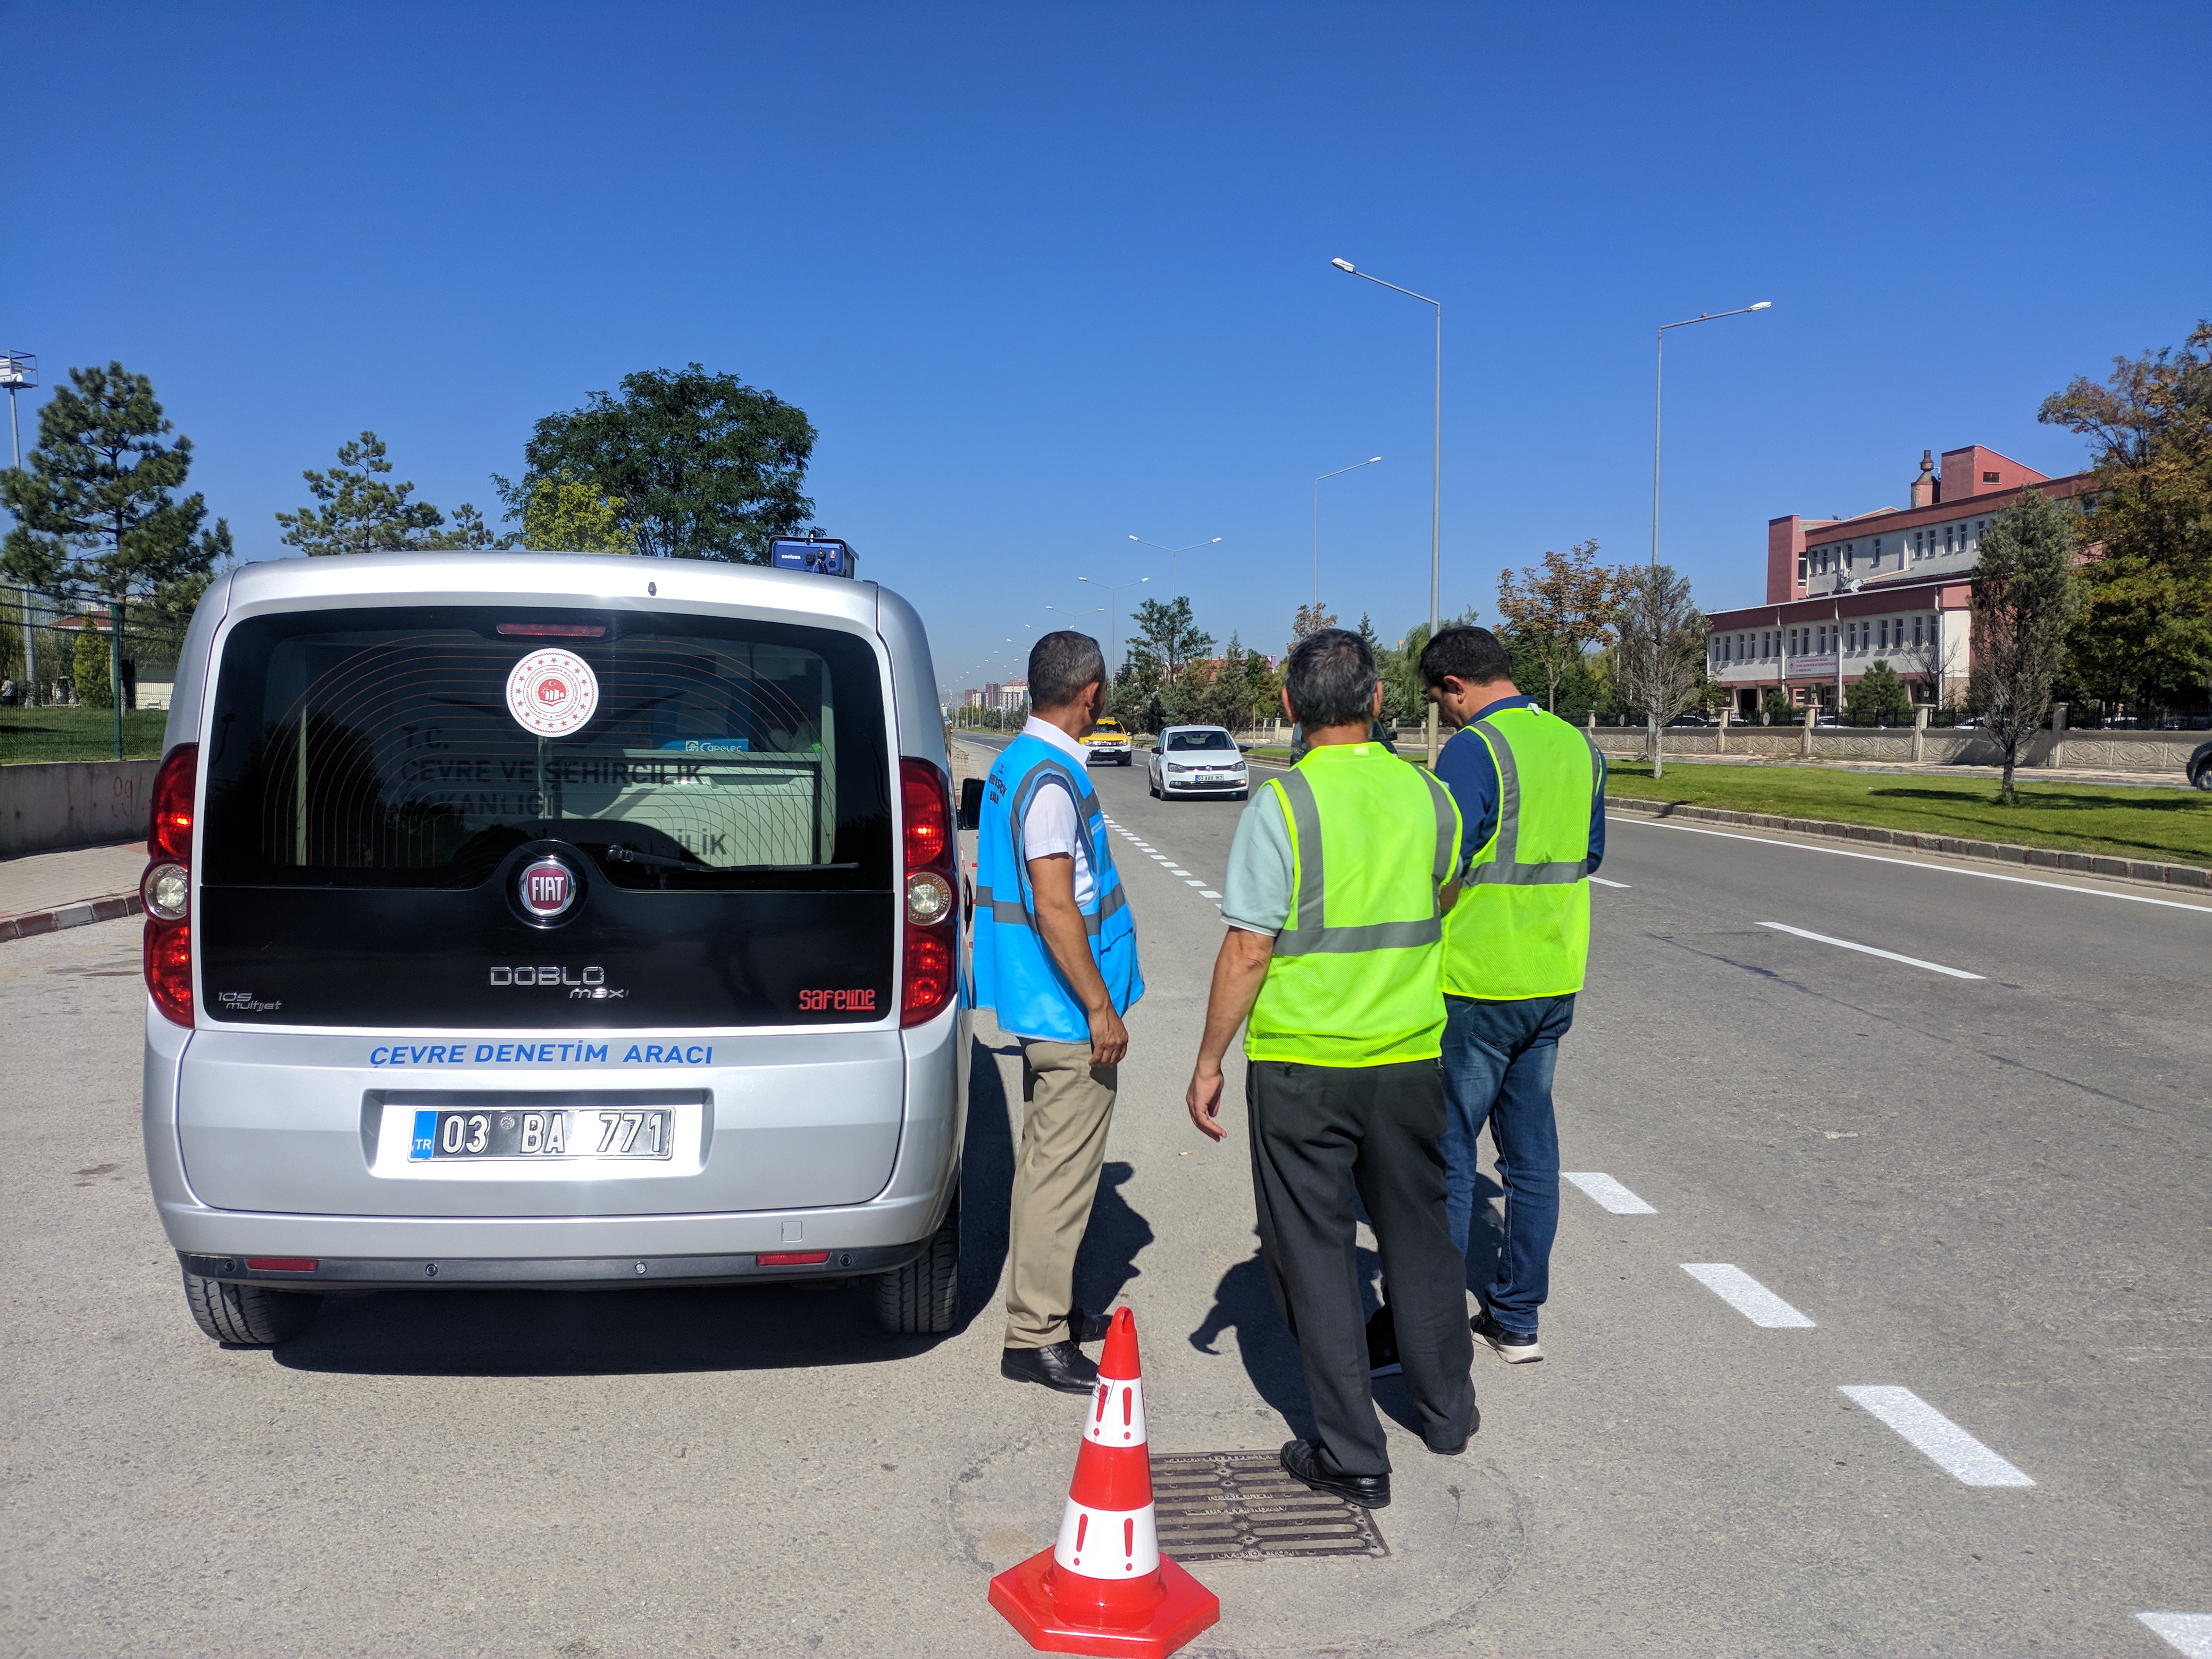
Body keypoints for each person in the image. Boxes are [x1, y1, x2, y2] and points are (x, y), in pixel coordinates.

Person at [1184, 628, 1474, 1511]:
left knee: (1314, 1252)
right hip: (1410, 1055)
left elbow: (1248, 948)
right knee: (1418, 1237)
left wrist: (1207, 1060)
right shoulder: (1432, 796)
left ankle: (1353, 1453)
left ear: (1288, 707)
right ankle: (1447, 1411)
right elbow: (1444, 893)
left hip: (1306, 1064)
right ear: (1381, 700)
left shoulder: (1284, 806)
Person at [1417, 624, 1605, 1365]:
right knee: (1530, 1158)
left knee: (1453, 1153)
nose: (1446, 717)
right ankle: (1517, 1319)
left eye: (1441, 703)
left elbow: (1443, 860)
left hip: (1478, 980)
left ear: (1455, 686)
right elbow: (1588, 854)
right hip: (1554, 977)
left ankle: (1429, 1331)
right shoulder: (1578, 746)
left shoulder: (1474, 750)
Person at [972, 631, 1145, 1395]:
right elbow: (1054, 904)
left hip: (1042, 1005)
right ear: (1092, 693)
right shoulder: (1050, 780)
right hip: (1069, 1014)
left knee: (1049, 1167)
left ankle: (1051, 1312)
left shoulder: (1017, 765)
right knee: (1061, 1176)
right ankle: (1035, 1335)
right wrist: (1101, 1008)